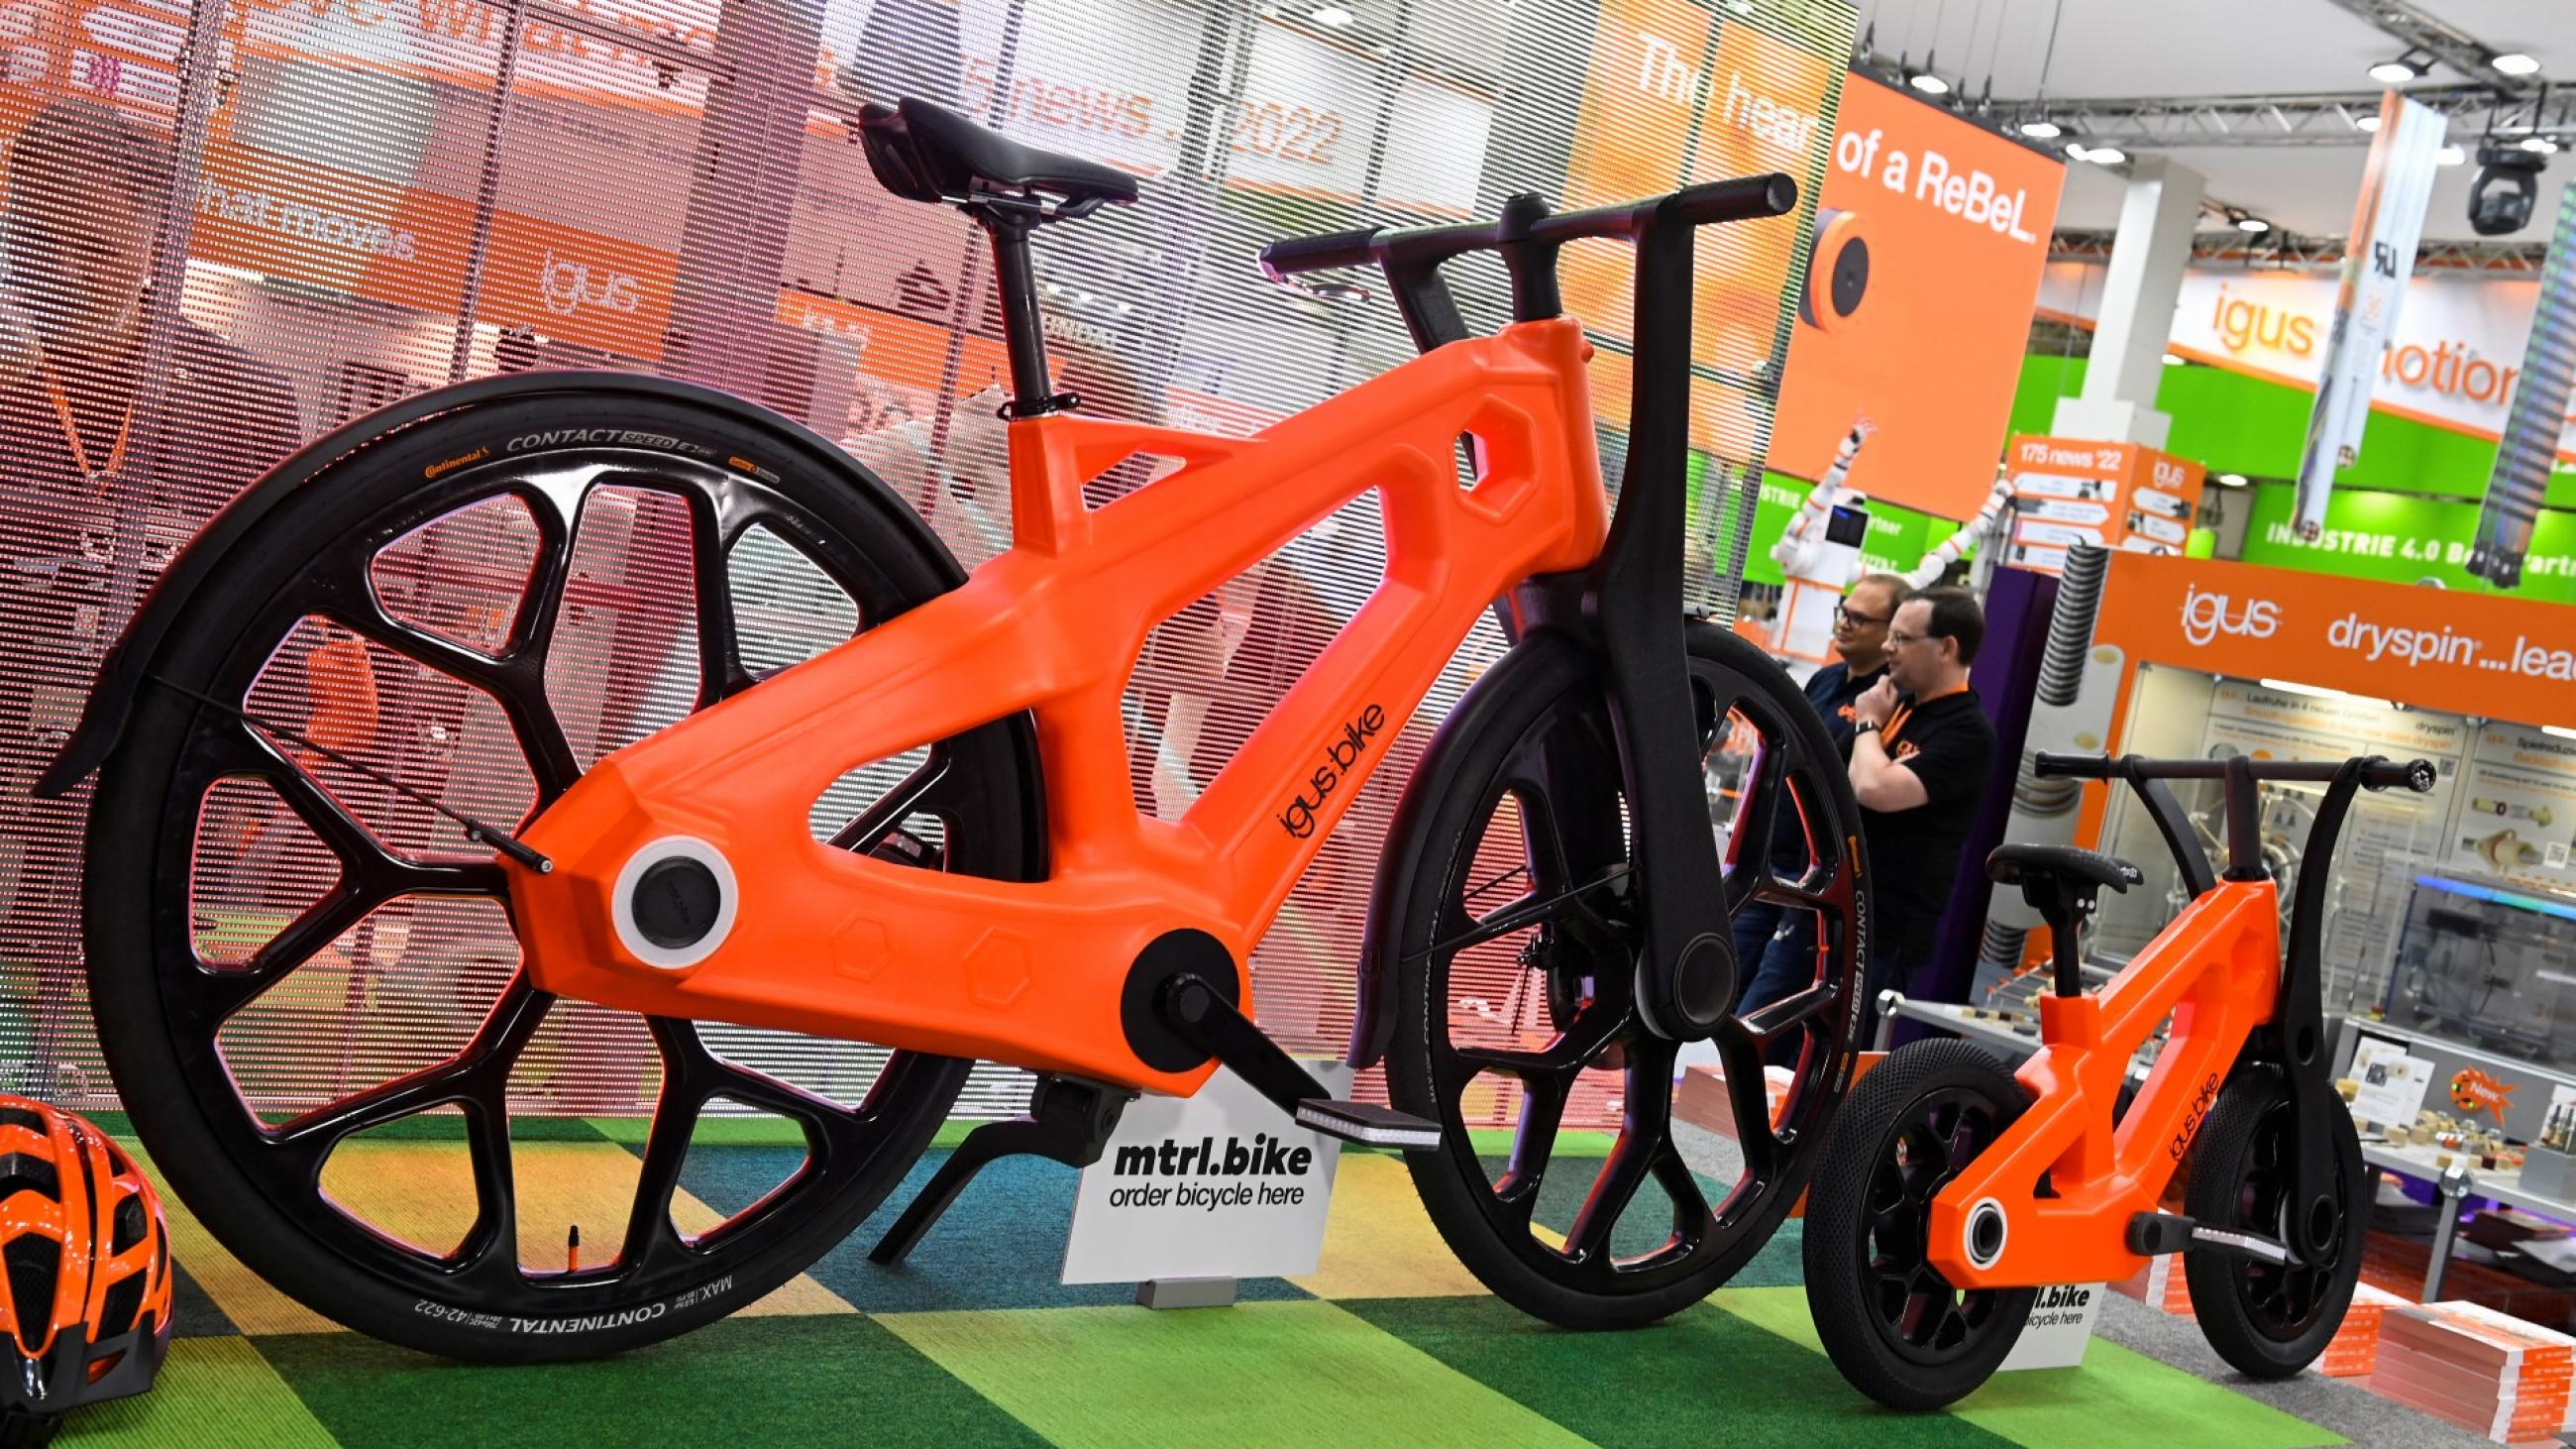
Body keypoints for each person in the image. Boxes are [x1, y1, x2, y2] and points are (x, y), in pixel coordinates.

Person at [0, 99, 301, 1067]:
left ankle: (60, 1074)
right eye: (37, 237)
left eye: (90, 240)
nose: (62, 266)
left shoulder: (243, 395)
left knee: (102, 927)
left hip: (147, 721)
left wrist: (272, 747)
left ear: (152, 237)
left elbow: (280, 593)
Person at [1731, 571, 1908, 1020]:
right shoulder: (1825, 681)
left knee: (1766, 1005)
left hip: (1816, 877)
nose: (1845, 624)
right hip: (1768, 864)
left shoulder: (1888, 701)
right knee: (1719, 980)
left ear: (1892, 632)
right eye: (1843, 612)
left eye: (1861, 619)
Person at [1847, 585, 1997, 1021]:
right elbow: (1853, 779)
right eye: (1889, 635)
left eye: (1901, 639)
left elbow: (1874, 789)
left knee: (1835, 1063)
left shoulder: (1968, 733)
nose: (1887, 648)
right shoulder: (1897, 703)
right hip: (1833, 911)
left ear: (1947, 648)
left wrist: (1867, 724)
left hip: (1884, 933)